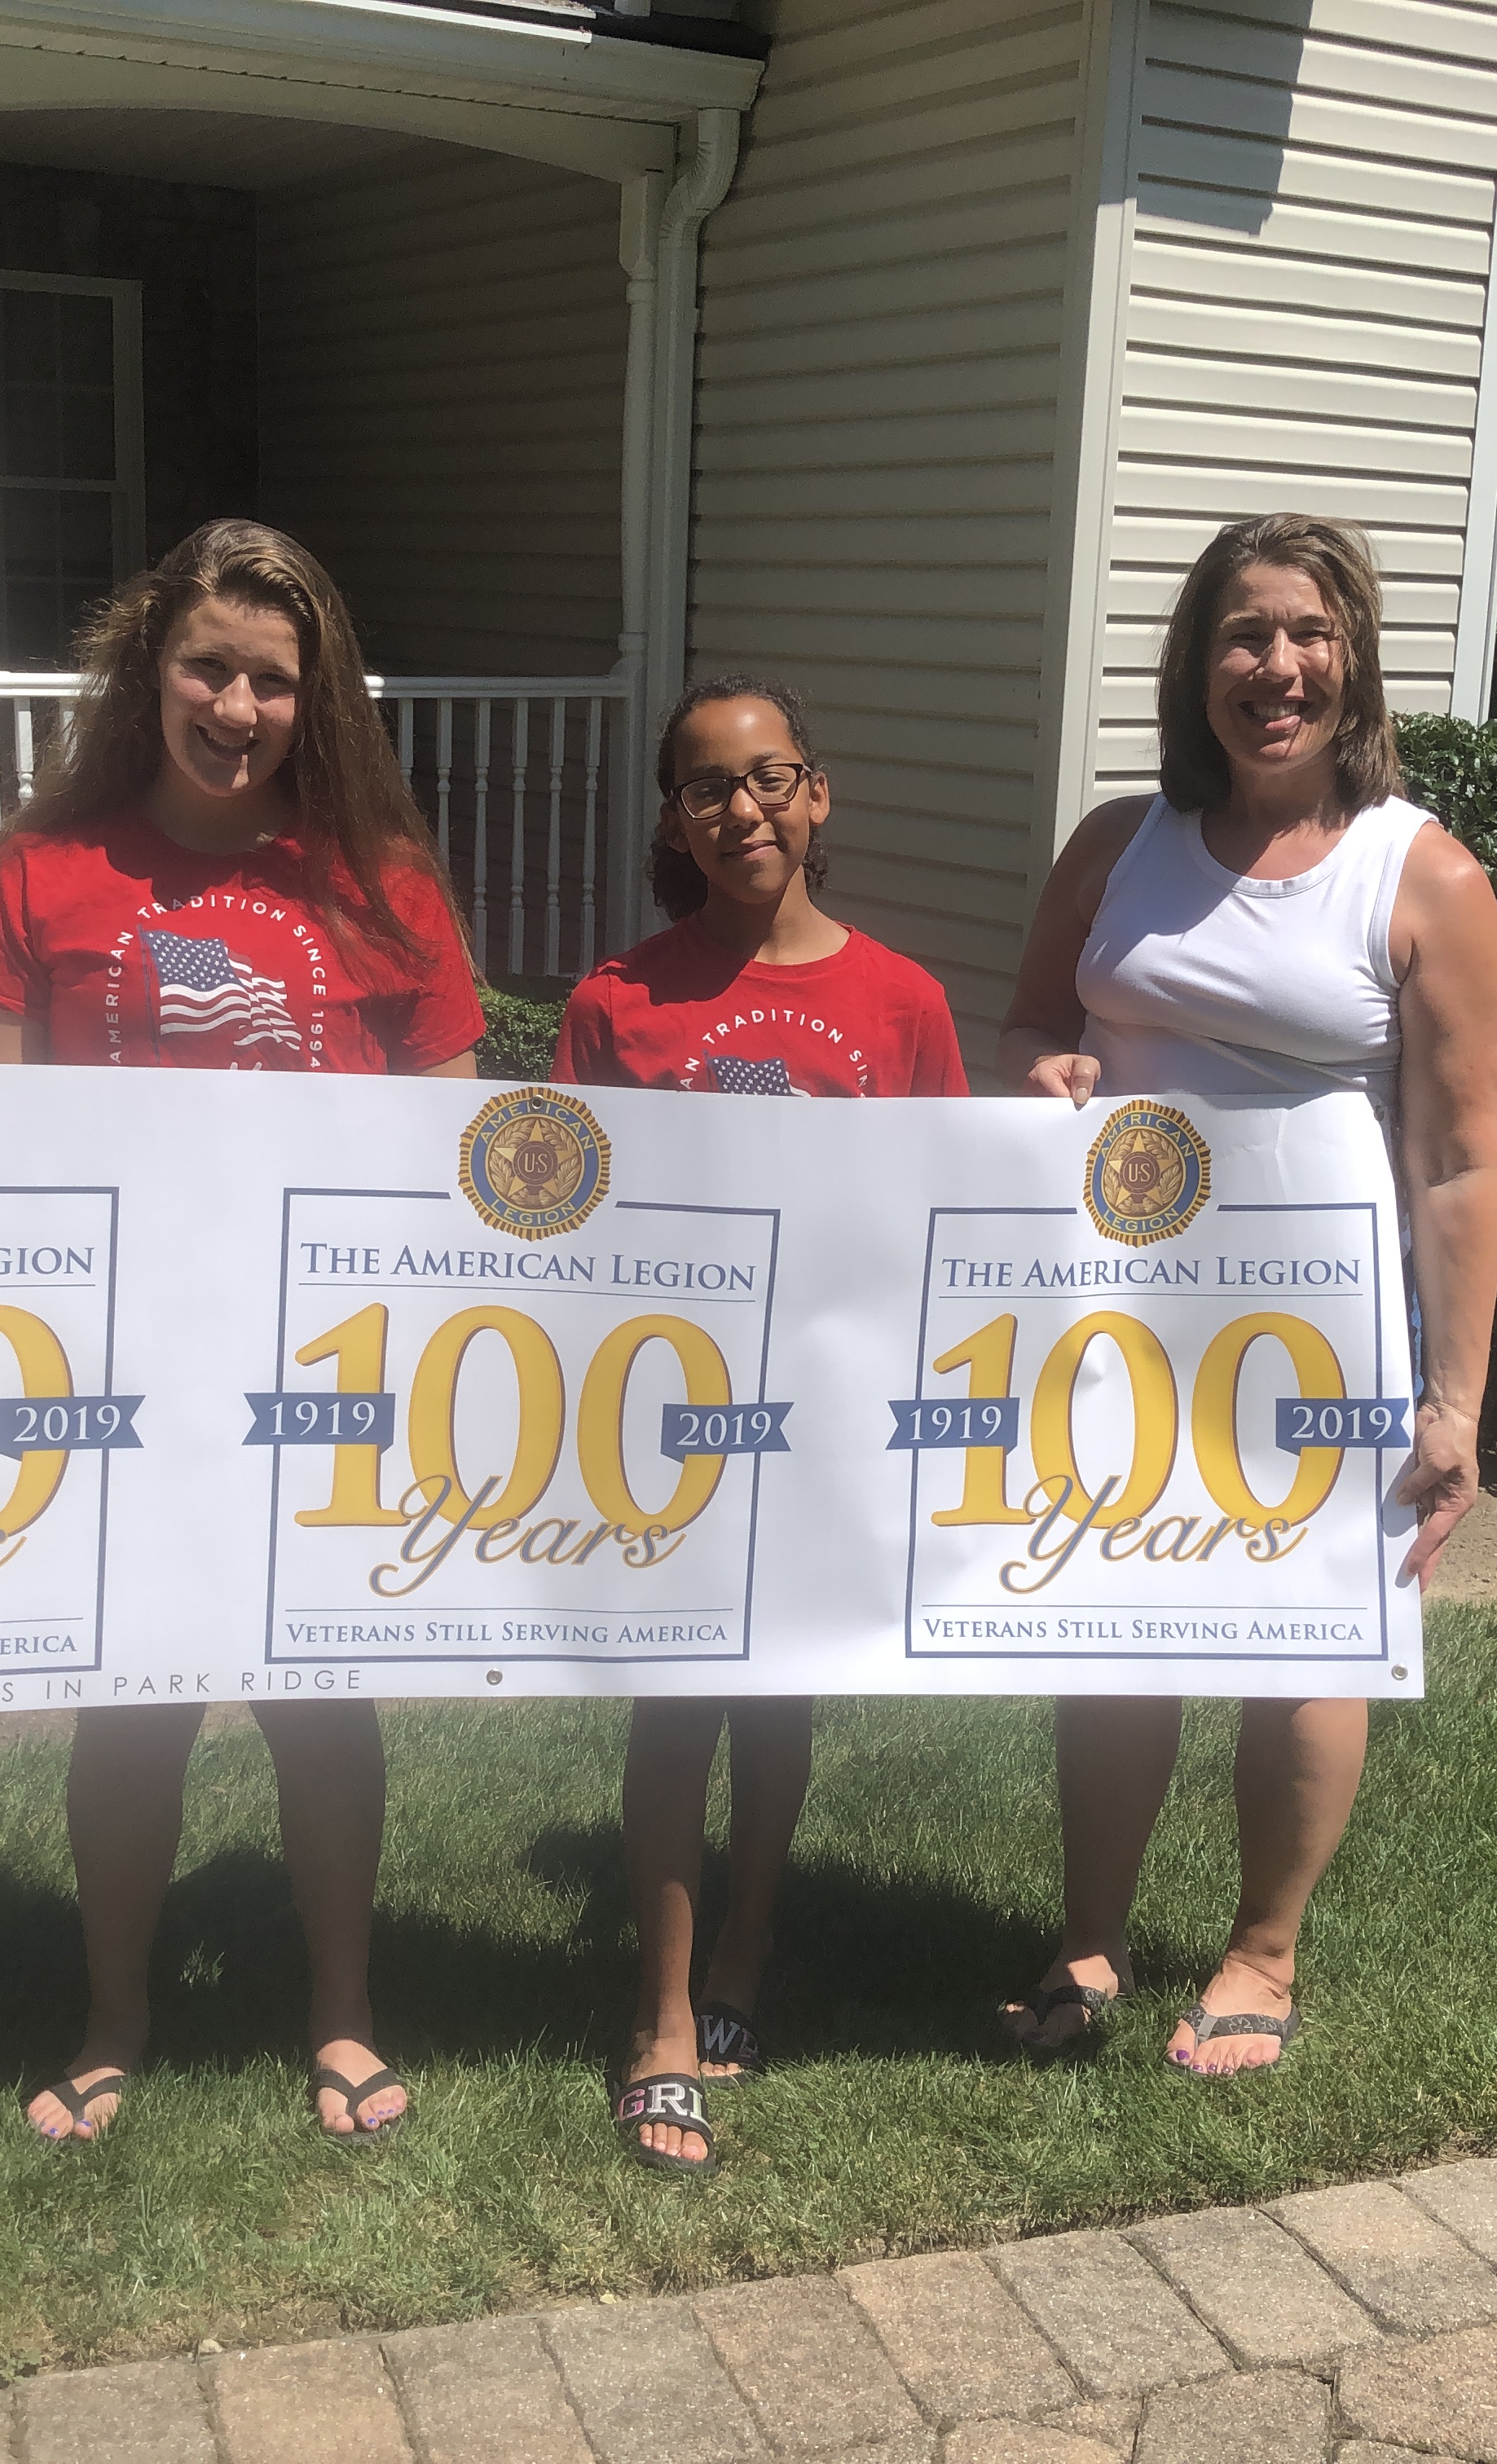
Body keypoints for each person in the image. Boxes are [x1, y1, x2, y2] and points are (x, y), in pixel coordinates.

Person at [0, 518, 483, 2146]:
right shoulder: (40, 875)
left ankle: (342, 2014)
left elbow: (446, 1147)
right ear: (146, 671)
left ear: (317, 701)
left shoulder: (384, 887)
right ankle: (114, 2016)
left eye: (272, 680)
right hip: (120, 1365)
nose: (237, 709)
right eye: (207, 669)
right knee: (135, 1699)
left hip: (324, 1366)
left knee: (321, 1696)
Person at [992, 513, 1497, 2075]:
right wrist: (1047, 1069)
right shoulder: (1118, 845)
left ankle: (1262, 1954)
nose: (1276, 668)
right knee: (1116, 1615)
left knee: (1306, 1633)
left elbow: (1460, 1162)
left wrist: (1456, 1402)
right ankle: (1091, 1932)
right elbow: (1028, 1023)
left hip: (1313, 1323)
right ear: (1196, 663)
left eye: (1308, 633)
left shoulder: (1422, 875)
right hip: (1116, 1303)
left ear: (1353, 660)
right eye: (1243, 634)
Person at [556, 674, 966, 2176]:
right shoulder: (617, 1001)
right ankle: (663, 2017)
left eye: (770, 776)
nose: (744, 809)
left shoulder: (904, 1002)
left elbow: (941, 1213)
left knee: (782, 1689)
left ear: (817, 793)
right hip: (668, 1414)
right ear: (675, 819)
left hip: (828, 1413)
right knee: (676, 1700)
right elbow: (572, 1225)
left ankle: (749, 1938)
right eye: (708, 787)